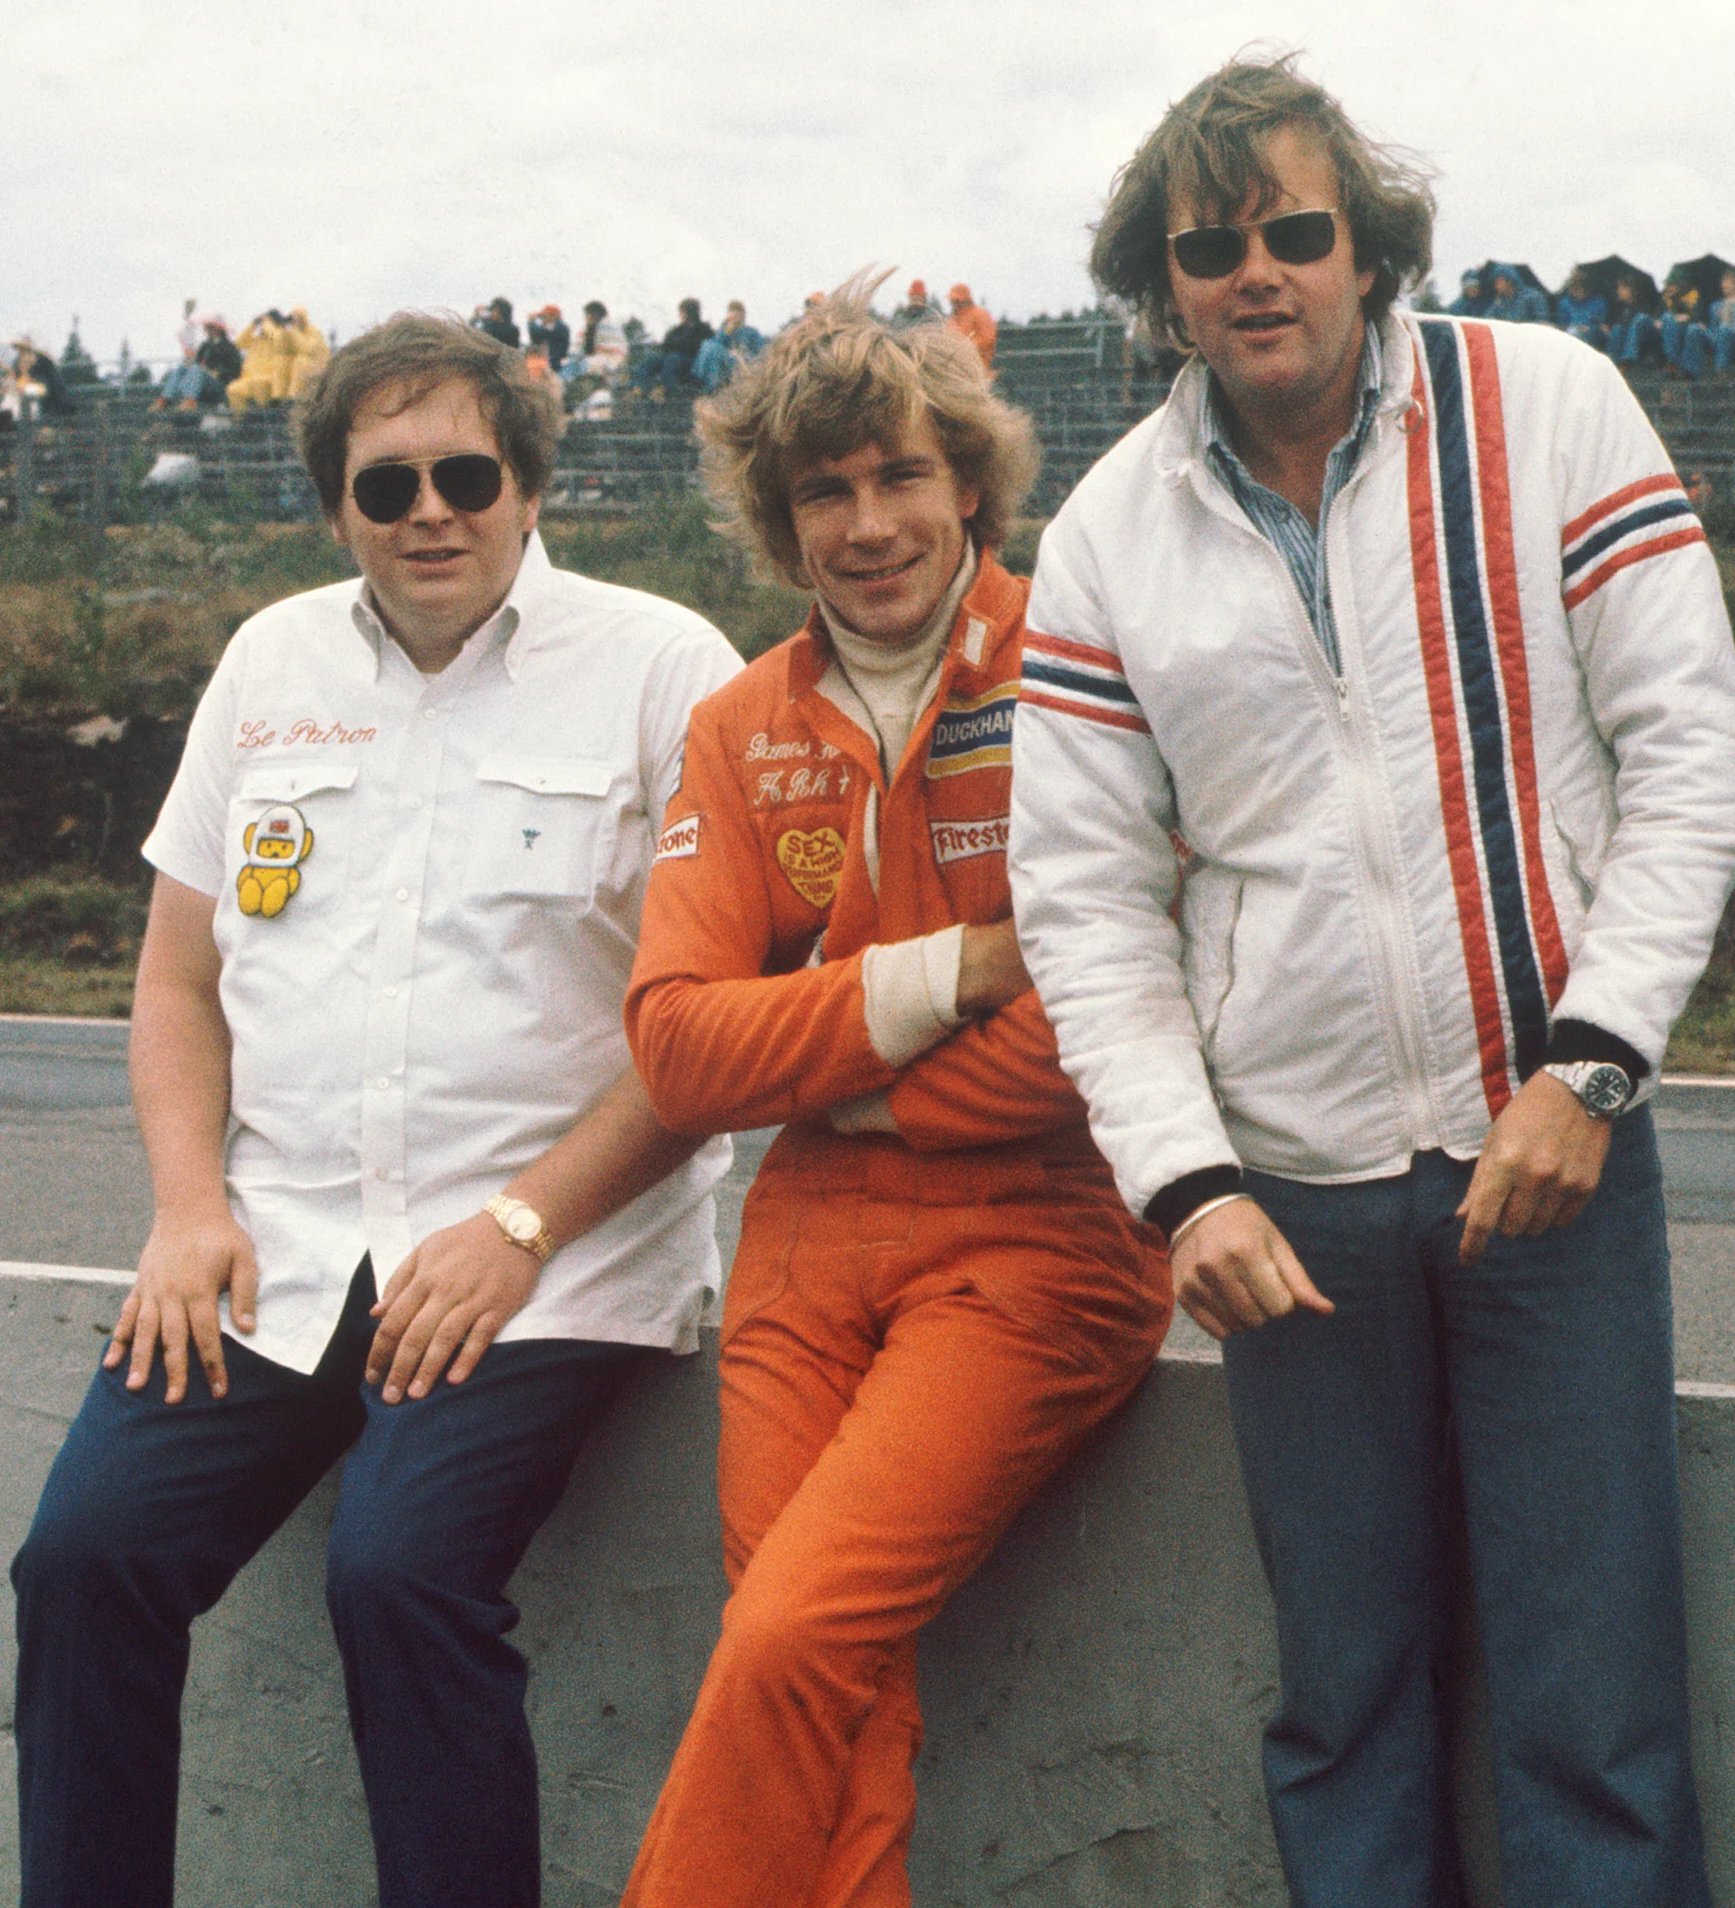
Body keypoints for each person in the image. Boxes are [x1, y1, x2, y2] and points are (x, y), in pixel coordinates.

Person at [1011, 54, 1735, 1908]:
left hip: (1550, 1155)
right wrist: (1184, 1180)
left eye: (1292, 230)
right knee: (1344, 1691)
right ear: (1157, 281)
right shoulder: (1108, 529)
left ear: (1369, 243)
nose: (1252, 271)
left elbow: (1690, 756)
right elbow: (1085, 896)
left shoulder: (1551, 404)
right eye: (1206, 247)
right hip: (1292, 1193)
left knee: (1590, 1699)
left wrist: (1590, 1067)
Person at [8, 312, 742, 1908]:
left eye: (467, 473)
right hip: (278, 1253)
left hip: (547, 1266)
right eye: (385, 482)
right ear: (335, 505)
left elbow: (712, 1026)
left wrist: (522, 1227)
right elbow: (178, 983)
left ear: (529, 483)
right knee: (83, 1561)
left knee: (398, 1576)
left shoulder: (664, 667)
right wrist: (189, 1208)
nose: (431, 511)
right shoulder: (269, 665)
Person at [615, 279, 1170, 1908]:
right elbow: (676, 1049)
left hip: (1042, 1241)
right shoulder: (740, 721)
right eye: (824, 491)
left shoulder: (1077, 655)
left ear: (970, 484)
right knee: (822, 1672)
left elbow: (1107, 1014)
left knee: (797, 1630)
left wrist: (846, 1080)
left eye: (900, 476)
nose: (868, 523)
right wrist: (941, 980)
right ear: (779, 523)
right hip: (806, 1239)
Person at [692, 299, 765, 394]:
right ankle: (703, 380)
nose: (734, 318)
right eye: (731, 314)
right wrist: (726, 331)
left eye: (737, 315)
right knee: (707, 344)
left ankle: (707, 384)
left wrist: (742, 355)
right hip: (724, 360)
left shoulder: (752, 332)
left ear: (743, 315)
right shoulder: (725, 331)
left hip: (741, 363)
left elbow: (760, 354)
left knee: (712, 348)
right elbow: (713, 347)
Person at [943, 281, 998, 372]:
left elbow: (988, 339)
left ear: (965, 300)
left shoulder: (980, 315)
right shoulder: (952, 320)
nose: (953, 303)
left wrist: (966, 346)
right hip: (955, 366)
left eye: (956, 300)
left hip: (978, 366)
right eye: (952, 300)